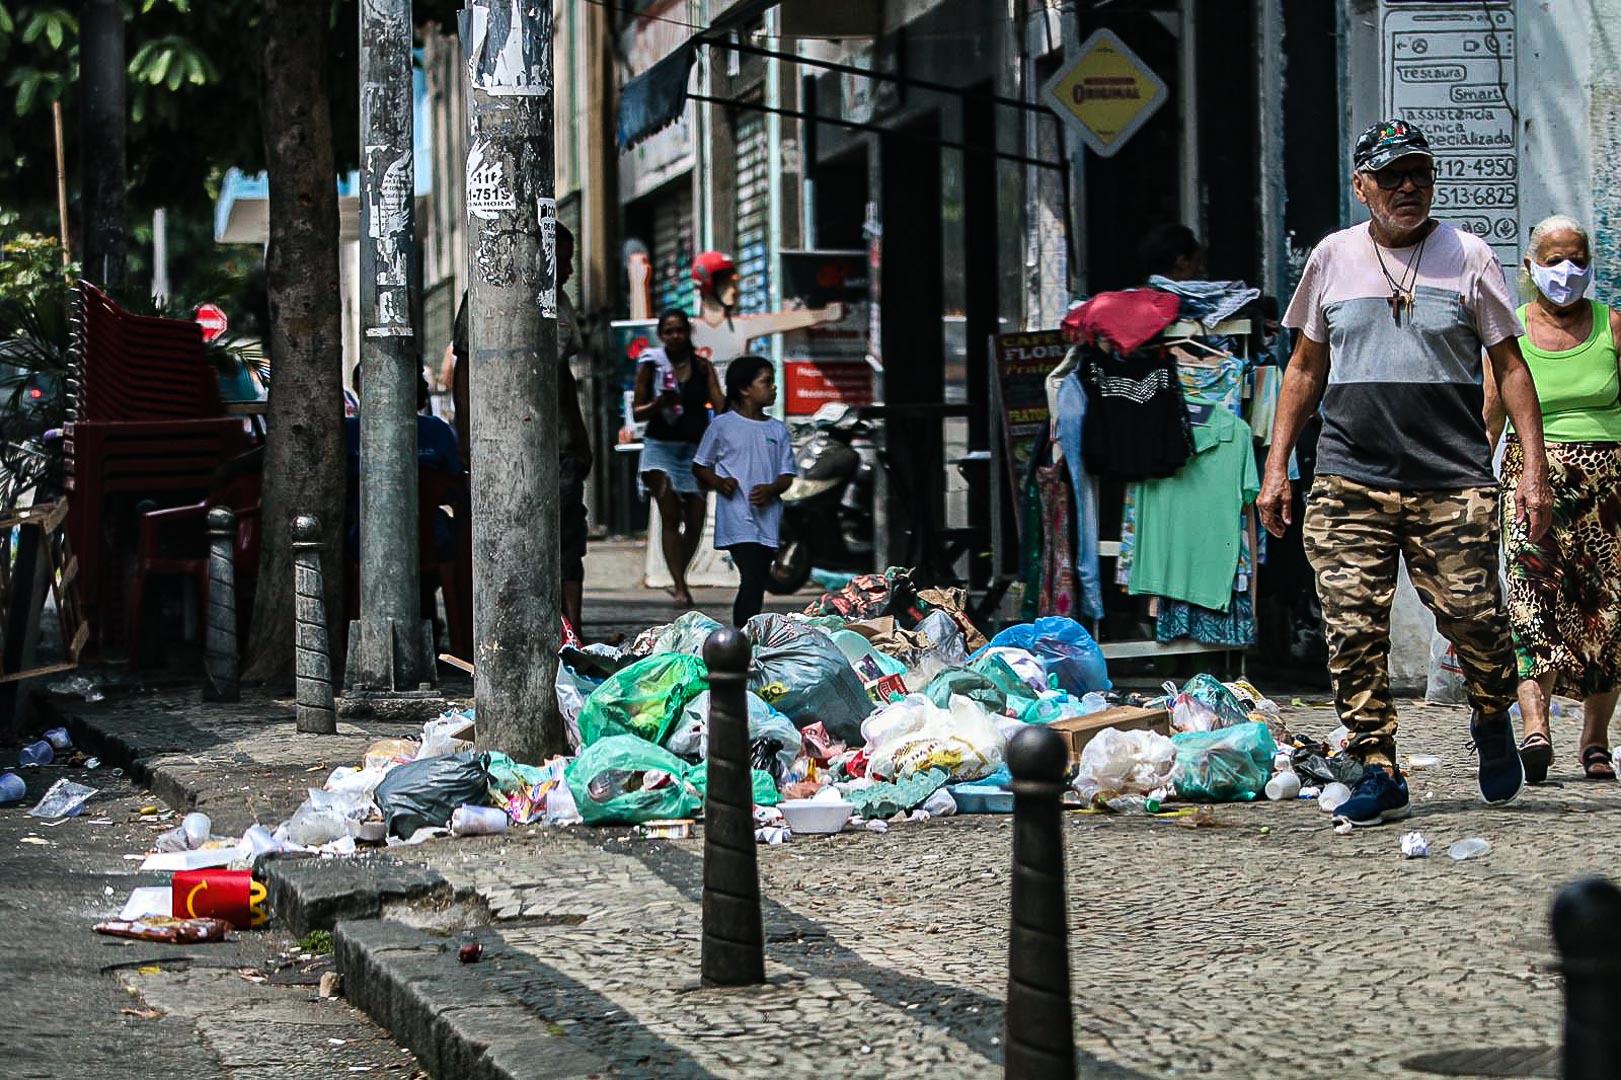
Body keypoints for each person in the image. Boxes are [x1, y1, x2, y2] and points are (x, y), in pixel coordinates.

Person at [1258, 117, 1553, 827]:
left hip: (1450, 478)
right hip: (1347, 476)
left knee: (1475, 619)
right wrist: (1276, 468)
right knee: (1352, 628)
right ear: (1361, 186)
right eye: (1391, 176)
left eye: (1419, 173)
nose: (1408, 187)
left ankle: (1491, 710)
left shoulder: (1467, 256)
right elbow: (1304, 367)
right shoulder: (1331, 257)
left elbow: (1511, 368)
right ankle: (1378, 767)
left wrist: (1532, 470)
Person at [1485, 214, 1621, 782]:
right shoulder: (1508, 332)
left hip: (1607, 493)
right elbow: (1491, 416)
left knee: (1606, 612)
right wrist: (1473, 485)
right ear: (1530, 267)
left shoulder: (1613, 327)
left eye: (1577, 260)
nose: (1567, 271)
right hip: (1531, 483)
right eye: (1554, 260)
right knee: (1529, 600)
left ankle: (1595, 739)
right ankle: (1536, 727)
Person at [443, 226, 593, 630]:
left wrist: (580, 436)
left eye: (571, 260)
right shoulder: (486, 295)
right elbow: (464, 368)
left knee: (568, 535)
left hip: (557, 444)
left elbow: (564, 377)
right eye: (563, 260)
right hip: (503, 443)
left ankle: (572, 629)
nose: (569, 270)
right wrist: (465, 433)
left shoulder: (560, 304)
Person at [691, 356, 795, 627]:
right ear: (744, 388)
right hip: (736, 515)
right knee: (753, 574)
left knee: (757, 577)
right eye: (766, 382)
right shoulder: (722, 426)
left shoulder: (777, 430)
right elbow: (700, 466)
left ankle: (746, 632)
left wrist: (771, 489)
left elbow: (786, 476)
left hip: (767, 518)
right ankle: (744, 630)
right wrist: (719, 482)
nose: (773, 387)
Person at [633, 308, 725, 607]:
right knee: (670, 515)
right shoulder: (651, 366)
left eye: (680, 330)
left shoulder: (702, 367)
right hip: (660, 447)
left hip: (695, 449)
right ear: (661, 335)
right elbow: (637, 411)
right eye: (669, 331)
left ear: (689, 332)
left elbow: (720, 405)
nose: (675, 336)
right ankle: (681, 586)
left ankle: (678, 575)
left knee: (696, 520)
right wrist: (659, 404)